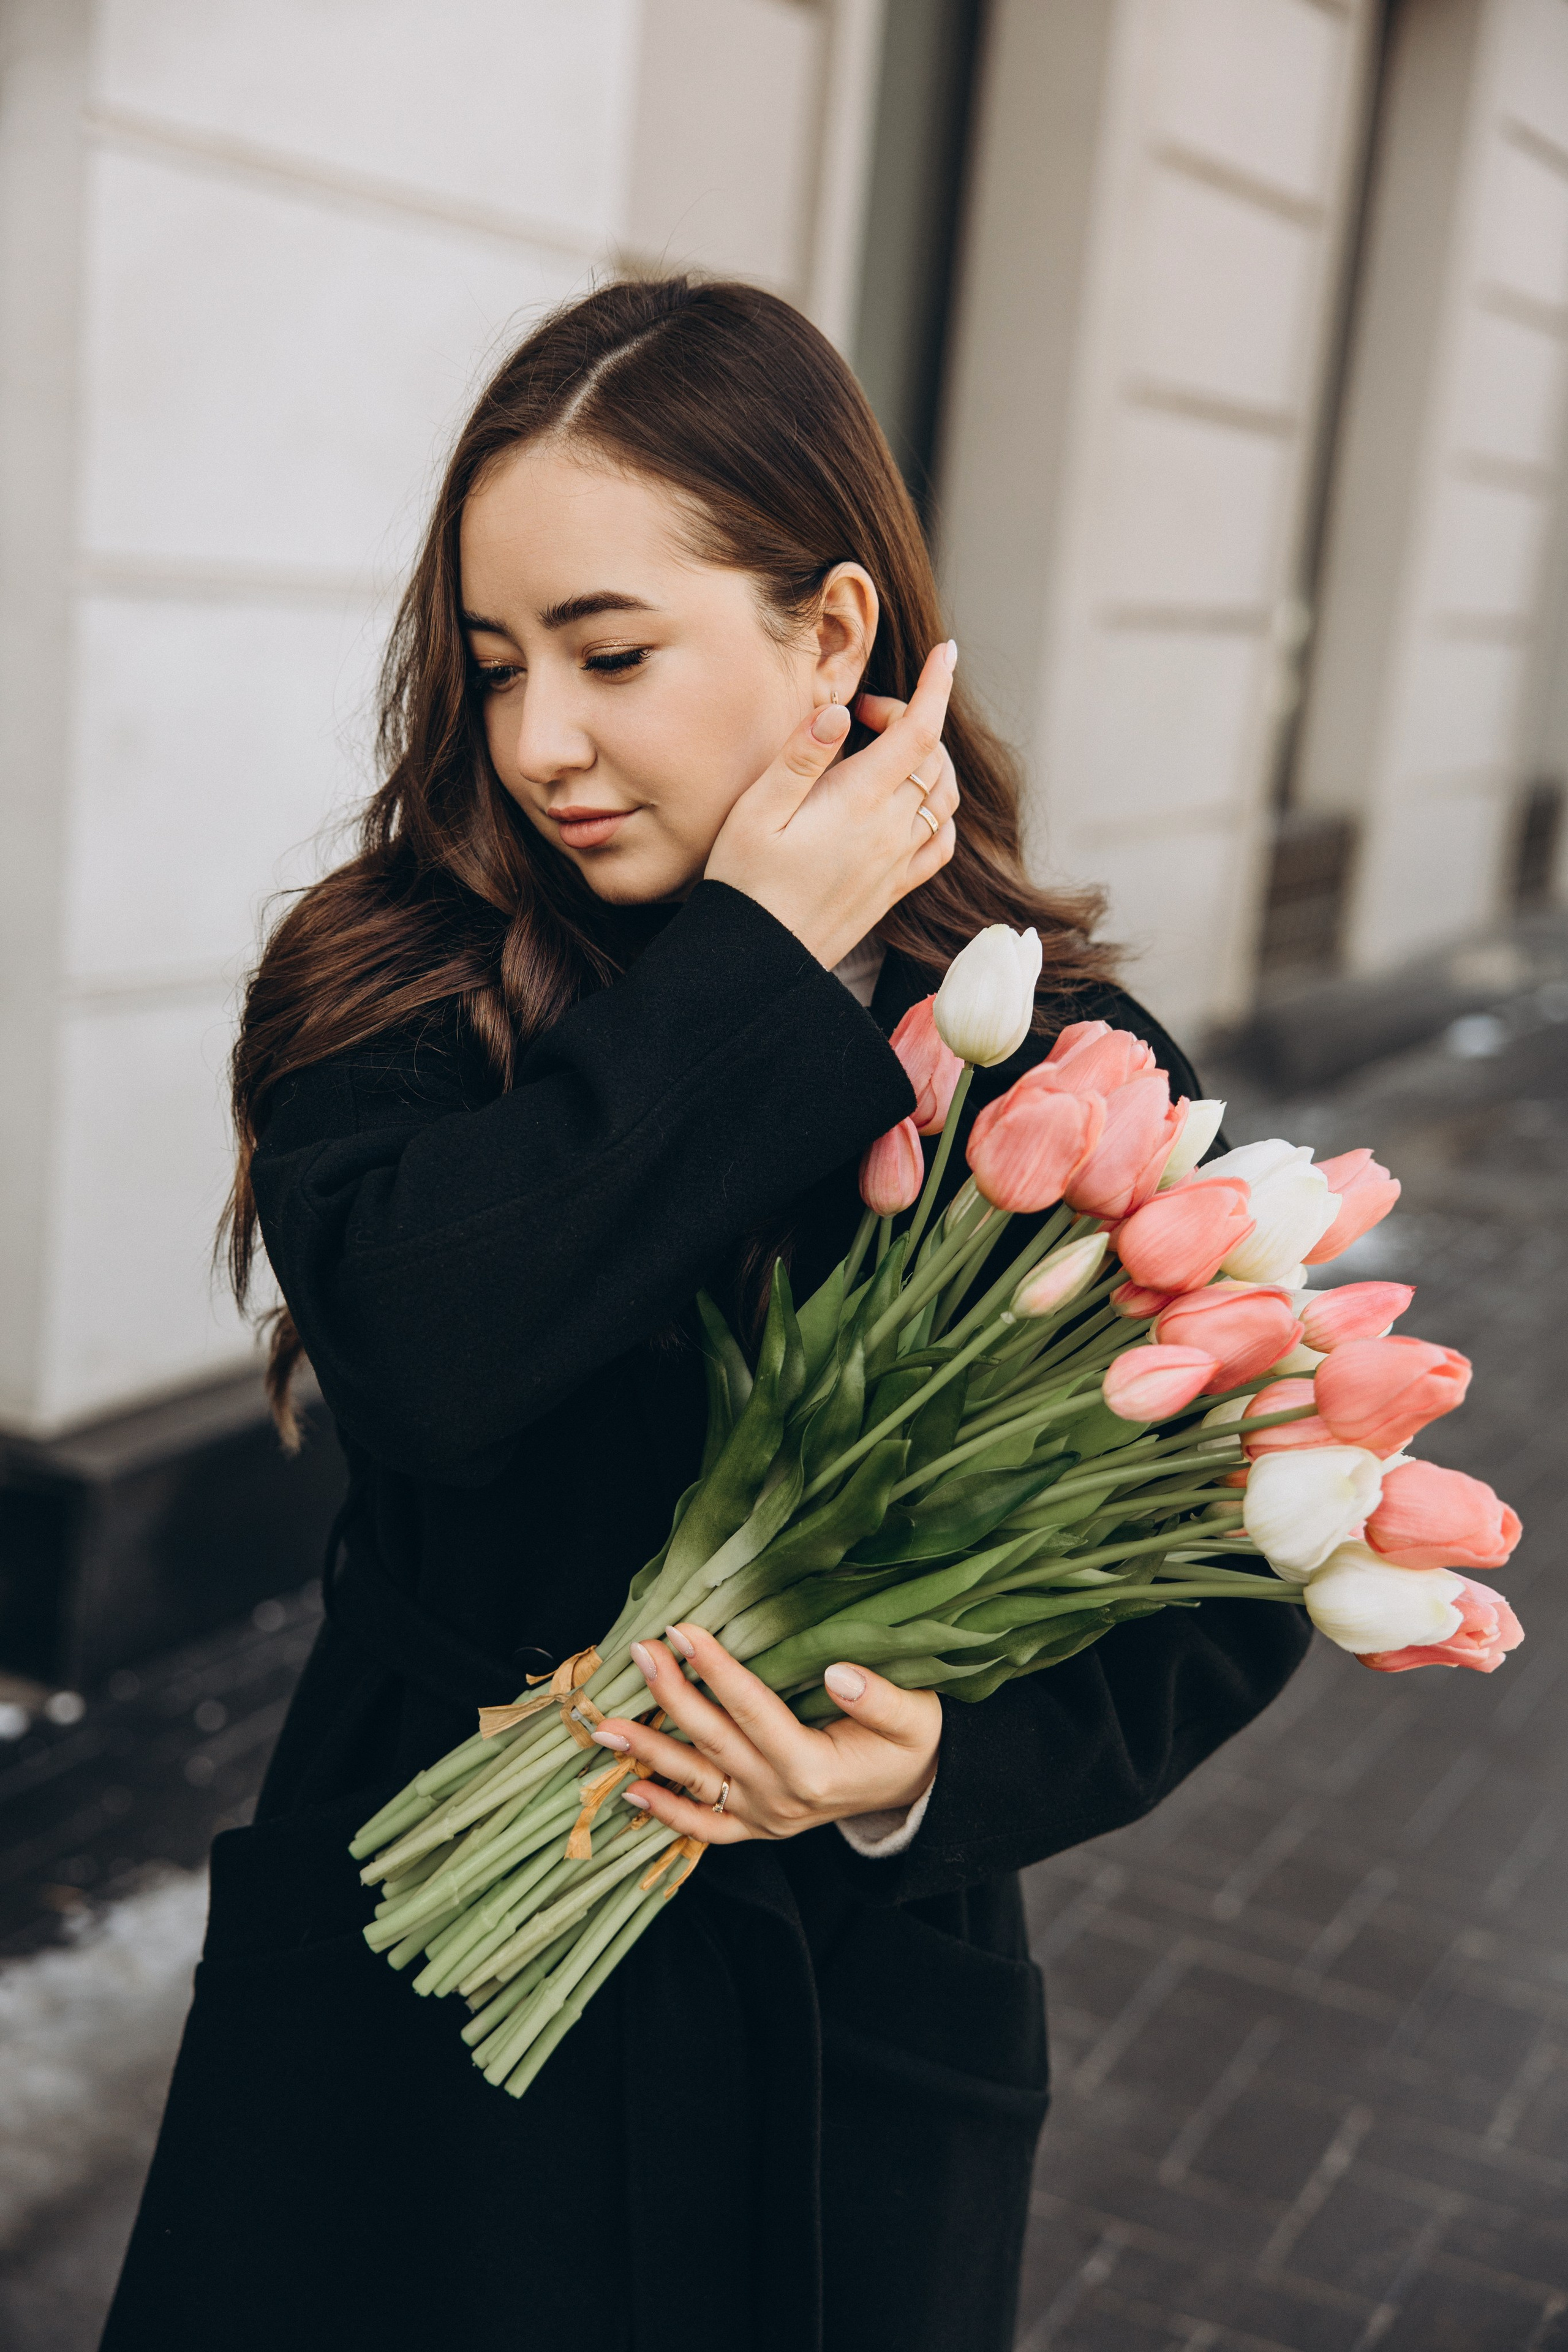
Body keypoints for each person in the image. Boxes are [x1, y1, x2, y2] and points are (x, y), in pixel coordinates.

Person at [102, 277, 1309, 2352]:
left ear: (831, 635)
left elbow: (1239, 1576)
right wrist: (756, 952)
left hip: (830, 2034)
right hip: (413, 2006)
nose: (540, 739)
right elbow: (432, 1359)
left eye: (612, 652)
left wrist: (929, 1764)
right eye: (496, 667)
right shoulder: (394, 983)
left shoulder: (1049, 1064)